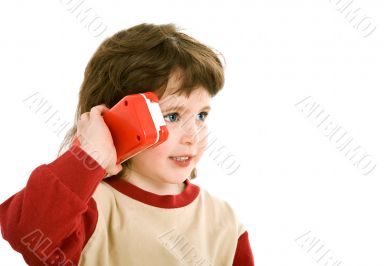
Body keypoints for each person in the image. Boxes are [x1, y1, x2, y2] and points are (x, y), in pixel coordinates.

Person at [0, 23, 254, 266]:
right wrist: (89, 156)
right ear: (116, 119)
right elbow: (26, 232)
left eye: (201, 115)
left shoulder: (225, 222)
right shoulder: (86, 210)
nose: (193, 136)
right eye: (172, 116)